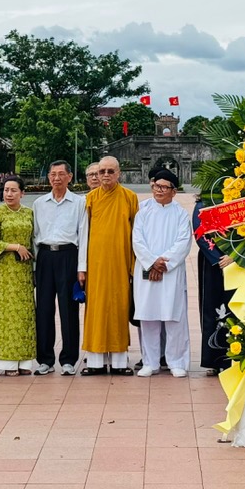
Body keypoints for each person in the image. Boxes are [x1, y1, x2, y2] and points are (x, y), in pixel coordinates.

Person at [82, 156, 140, 376]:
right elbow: (83, 234)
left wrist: (134, 266)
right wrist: (82, 267)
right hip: (95, 265)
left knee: (118, 309)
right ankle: (95, 361)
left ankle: (119, 362)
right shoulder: (90, 199)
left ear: (119, 173)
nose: (105, 175)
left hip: (120, 263)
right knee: (95, 312)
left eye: (110, 171)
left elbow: (137, 233)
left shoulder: (129, 198)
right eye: (102, 171)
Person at [132, 170, 192, 378]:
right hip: (147, 270)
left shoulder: (181, 214)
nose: (159, 190)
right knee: (148, 317)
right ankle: (150, 362)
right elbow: (137, 241)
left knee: (173, 317)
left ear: (174, 192)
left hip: (171, 272)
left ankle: (176, 361)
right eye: (156, 186)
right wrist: (151, 263)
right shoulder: (143, 211)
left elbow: (183, 242)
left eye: (164, 187)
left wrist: (163, 264)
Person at [32, 160, 88, 376]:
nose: (57, 178)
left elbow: (83, 235)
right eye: (53, 174)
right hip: (45, 256)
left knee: (68, 309)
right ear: (48, 177)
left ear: (70, 177)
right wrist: (36, 266)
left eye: (61, 174)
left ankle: (68, 359)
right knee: (44, 309)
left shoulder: (79, 203)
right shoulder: (39, 203)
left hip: (68, 256)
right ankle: (45, 359)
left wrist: (81, 267)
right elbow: (35, 235)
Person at [0, 177, 38, 375]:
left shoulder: (29, 213)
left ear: (22, 193)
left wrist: (34, 269)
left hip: (24, 271)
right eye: (6, 190)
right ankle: (6, 363)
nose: (9, 194)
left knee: (25, 314)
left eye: (13, 190)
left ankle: (25, 361)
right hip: (6, 271)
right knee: (6, 315)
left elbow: (34, 240)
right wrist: (15, 247)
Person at [194, 196, 233, 376]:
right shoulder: (203, 205)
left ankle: (235, 354)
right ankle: (213, 358)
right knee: (212, 307)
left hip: (236, 263)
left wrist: (235, 256)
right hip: (212, 264)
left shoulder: (238, 199)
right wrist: (218, 259)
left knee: (234, 306)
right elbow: (200, 235)